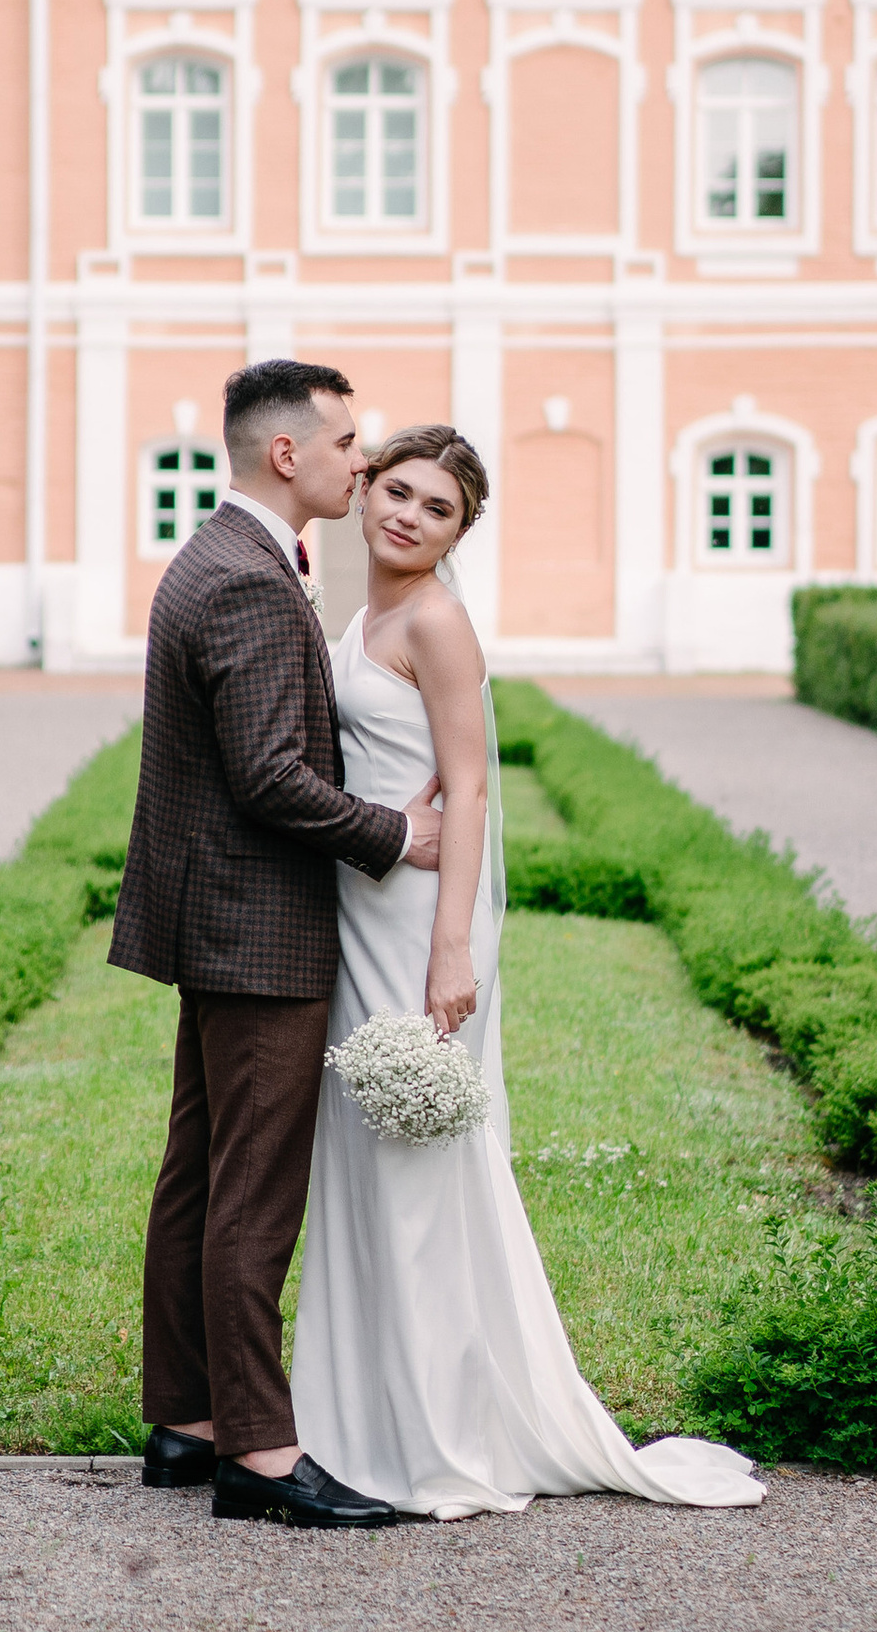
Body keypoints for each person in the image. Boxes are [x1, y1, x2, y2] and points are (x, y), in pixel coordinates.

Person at [288, 423, 767, 1521]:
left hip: (417, 924)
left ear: (460, 532)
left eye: (437, 508)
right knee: (366, 1168)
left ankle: (436, 1435)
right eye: (397, 492)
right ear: (364, 495)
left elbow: (471, 791)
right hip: (364, 908)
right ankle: (362, 1418)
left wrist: (452, 948)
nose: (408, 515)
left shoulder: (439, 621)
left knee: (417, 1168)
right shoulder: (365, 612)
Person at [107, 358, 443, 1530]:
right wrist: (401, 834)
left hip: (214, 919)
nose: (366, 460)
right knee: (252, 1192)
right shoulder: (248, 580)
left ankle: (184, 1421)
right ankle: (256, 1454)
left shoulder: (220, 554)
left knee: (198, 1175)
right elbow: (269, 780)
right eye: (350, 442)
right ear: (287, 454)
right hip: (259, 928)